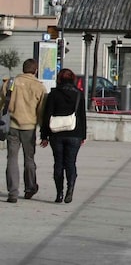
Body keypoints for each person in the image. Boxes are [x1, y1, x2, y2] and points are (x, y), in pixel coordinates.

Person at [1, 58, 46, 203]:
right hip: (29, 127)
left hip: (12, 126)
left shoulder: (10, 82)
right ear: (35, 70)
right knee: (29, 158)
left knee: (12, 158)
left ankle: (13, 192)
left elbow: (1, 102)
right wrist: (41, 126)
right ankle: (30, 187)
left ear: (23, 68)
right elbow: (41, 110)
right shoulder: (39, 86)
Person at [40, 68, 86, 204]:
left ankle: (59, 193)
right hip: (74, 133)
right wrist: (82, 136)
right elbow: (82, 117)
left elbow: (46, 115)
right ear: (73, 79)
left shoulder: (53, 94)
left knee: (58, 163)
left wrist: (44, 136)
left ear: (59, 79)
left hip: (56, 134)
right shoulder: (78, 94)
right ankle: (70, 188)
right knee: (71, 162)